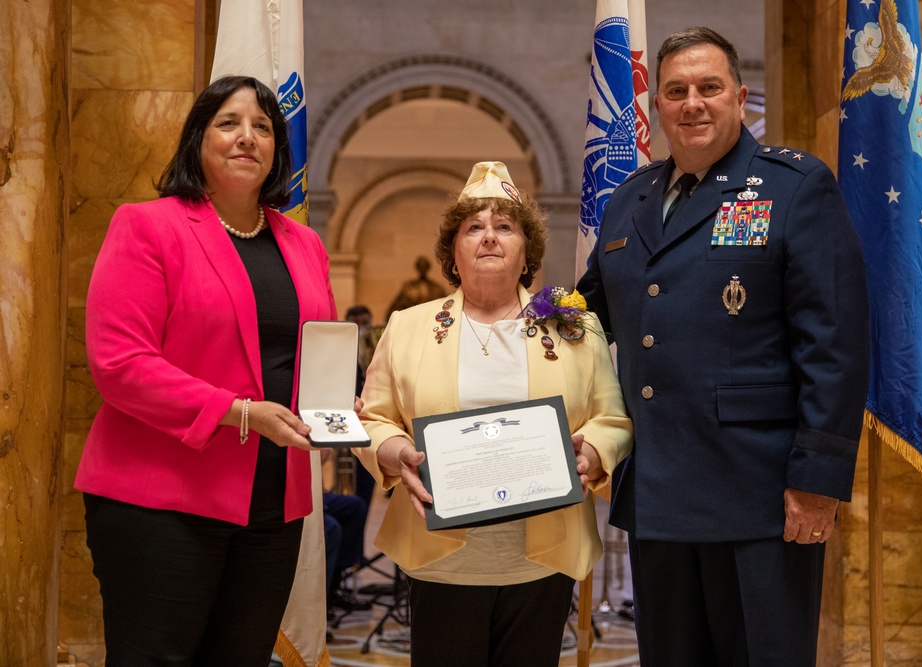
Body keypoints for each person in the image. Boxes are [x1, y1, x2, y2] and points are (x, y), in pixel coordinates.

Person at [576, 27, 869, 666]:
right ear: (657, 108)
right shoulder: (629, 201)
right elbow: (585, 320)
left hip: (759, 497)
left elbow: (834, 343)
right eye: (676, 91)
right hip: (658, 494)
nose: (693, 104)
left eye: (709, 88)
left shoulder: (794, 188)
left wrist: (817, 480)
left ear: (740, 97)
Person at [75, 75, 337, 666]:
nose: (248, 138)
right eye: (229, 123)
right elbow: (120, 363)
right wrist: (237, 411)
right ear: (199, 138)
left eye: (263, 127)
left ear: (278, 150)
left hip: (272, 503)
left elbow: (321, 356)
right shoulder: (149, 226)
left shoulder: (305, 245)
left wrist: (333, 416)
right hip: (161, 499)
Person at [355, 161, 633, 667]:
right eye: (474, 227)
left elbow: (612, 418)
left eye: (505, 227)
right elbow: (372, 419)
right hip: (440, 559)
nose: (489, 238)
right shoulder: (408, 326)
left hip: (543, 559)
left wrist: (593, 452)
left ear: (526, 250)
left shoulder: (575, 328)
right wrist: (396, 451)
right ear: (452, 252)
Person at [384, 255, 448, 320]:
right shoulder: (409, 287)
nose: (422, 269)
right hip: (412, 320)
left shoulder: (437, 288)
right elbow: (396, 308)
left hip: (431, 321)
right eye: (420, 267)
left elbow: (446, 308)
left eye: (424, 267)